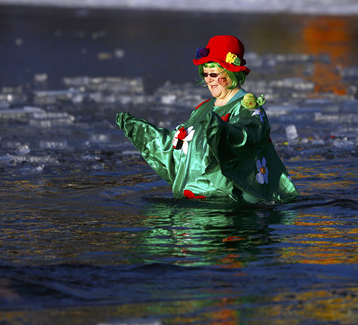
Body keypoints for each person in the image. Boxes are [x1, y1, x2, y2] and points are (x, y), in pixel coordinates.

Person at [116, 35, 299, 203]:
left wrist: (223, 132)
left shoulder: (247, 107)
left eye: (214, 74)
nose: (209, 80)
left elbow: (248, 134)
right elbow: (180, 147)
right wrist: (146, 135)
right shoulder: (203, 109)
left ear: (232, 73)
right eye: (205, 74)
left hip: (229, 206)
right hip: (192, 208)